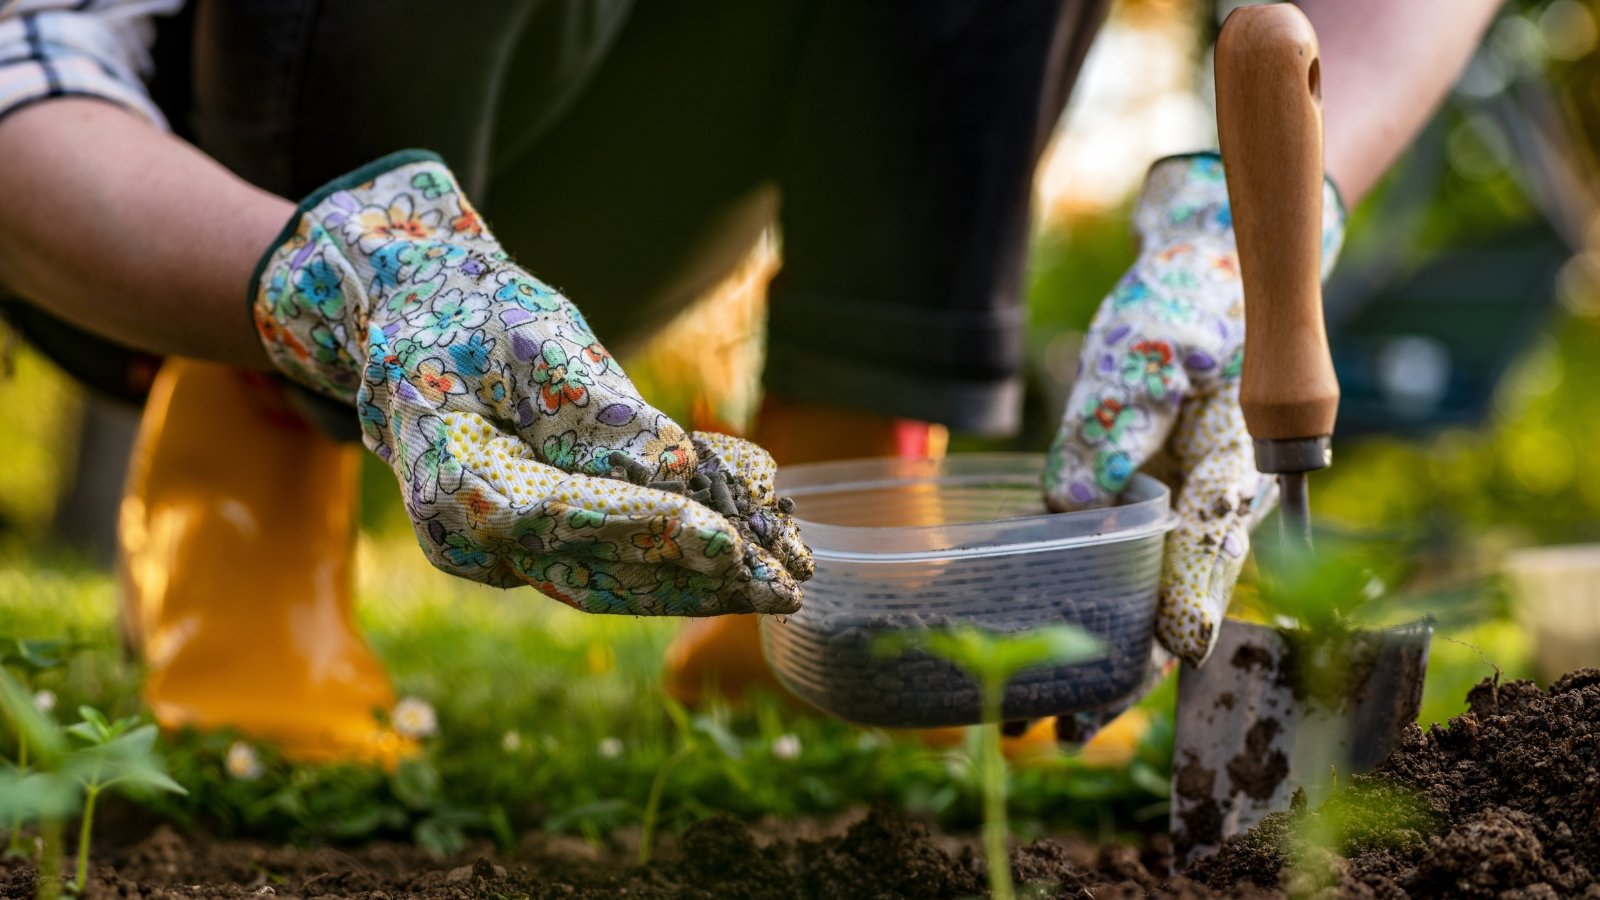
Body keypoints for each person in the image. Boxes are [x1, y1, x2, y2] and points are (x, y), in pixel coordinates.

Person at [0, 0, 1498, 759]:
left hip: (652, 178)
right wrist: (345, 284)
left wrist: (1257, 241)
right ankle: (252, 482)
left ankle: (852, 493)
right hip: (184, 208)